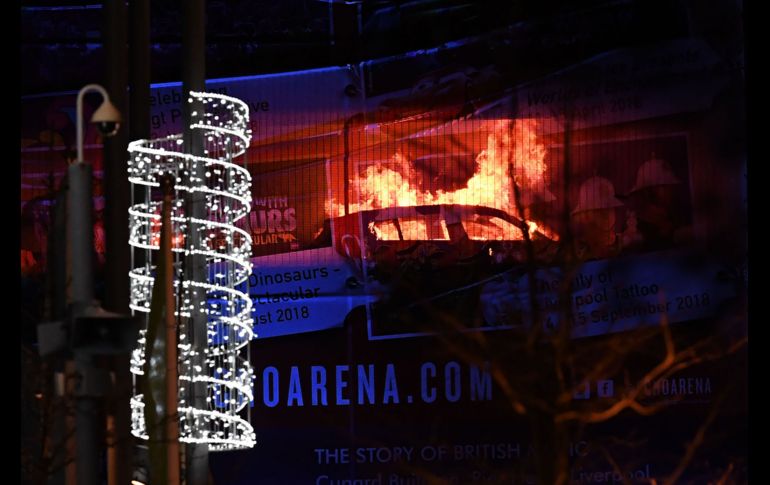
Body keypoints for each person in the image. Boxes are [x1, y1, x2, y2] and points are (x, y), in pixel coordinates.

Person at [624, 154, 690, 252]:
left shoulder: (677, 221)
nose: (670, 190)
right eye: (663, 186)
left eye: (670, 185)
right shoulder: (634, 229)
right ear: (647, 192)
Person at [571, 176, 624, 260]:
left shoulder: (624, 243)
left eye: (609, 208)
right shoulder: (576, 249)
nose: (606, 214)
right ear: (585, 215)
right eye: (599, 210)